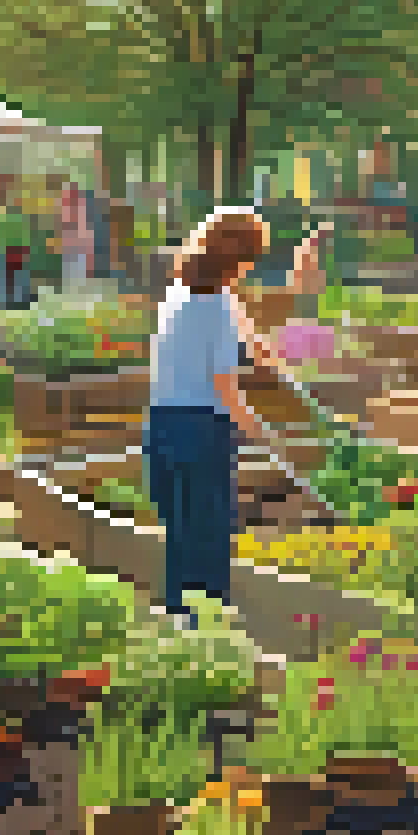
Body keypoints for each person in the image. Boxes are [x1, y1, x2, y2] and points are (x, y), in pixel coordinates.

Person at [147, 208, 274, 617]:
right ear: (239, 260)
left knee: (180, 533)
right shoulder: (218, 306)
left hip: (162, 424)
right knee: (210, 533)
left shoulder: (177, 296)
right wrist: (256, 425)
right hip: (202, 427)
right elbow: (224, 383)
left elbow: (229, 323)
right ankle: (210, 624)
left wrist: (255, 342)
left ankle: (178, 619)